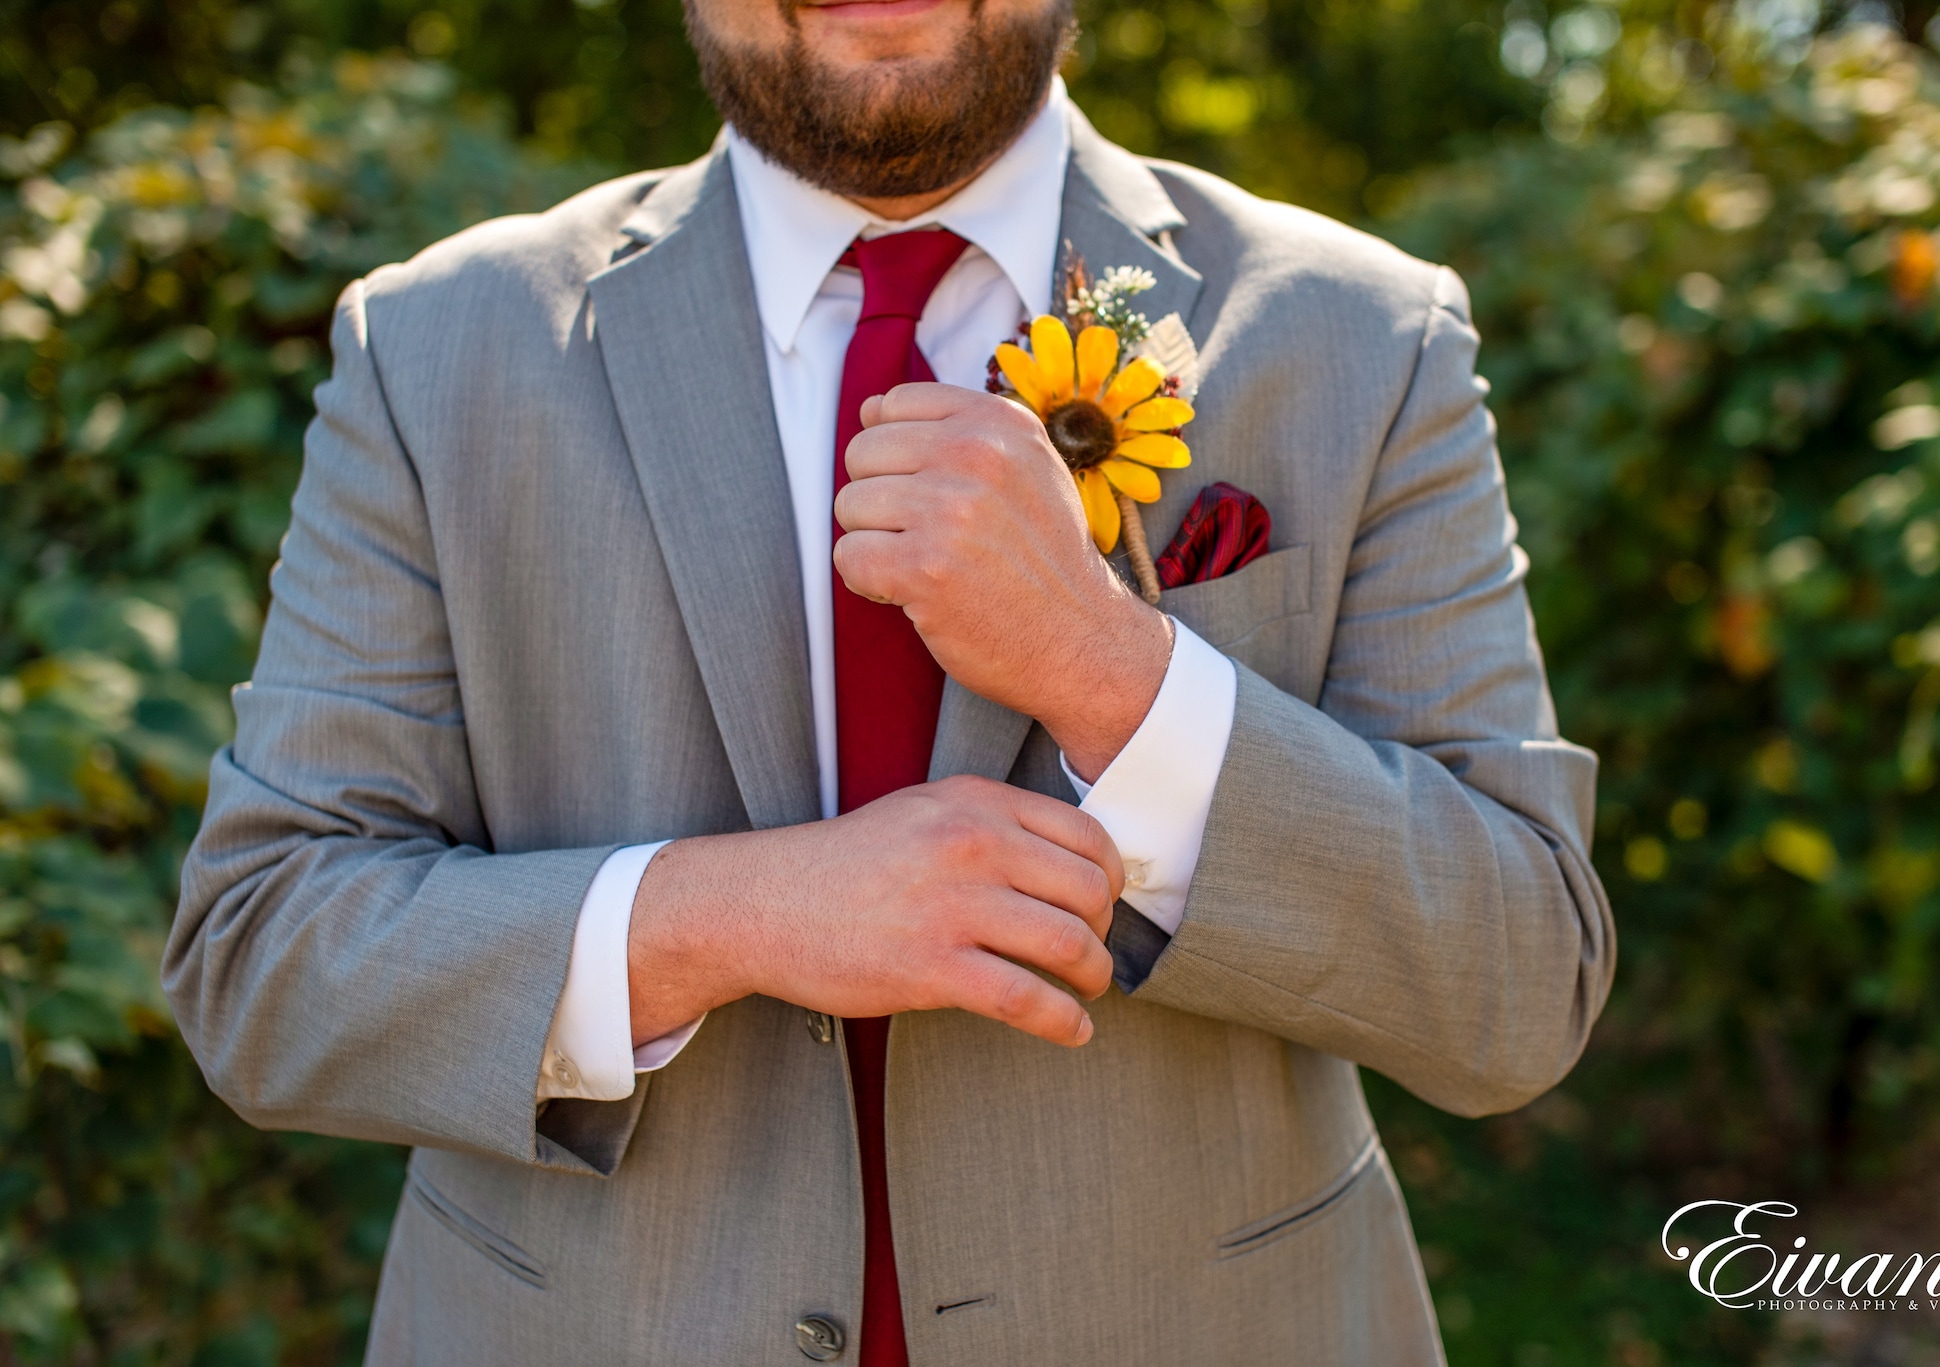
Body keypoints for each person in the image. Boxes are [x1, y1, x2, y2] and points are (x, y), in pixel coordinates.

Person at [165, 0, 1615, 1361]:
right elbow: (263, 956)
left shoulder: (1369, 337)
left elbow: (1516, 982)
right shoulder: (434, 350)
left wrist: (1108, 670)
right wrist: (731, 914)